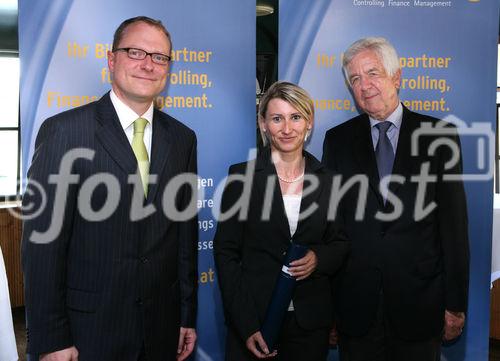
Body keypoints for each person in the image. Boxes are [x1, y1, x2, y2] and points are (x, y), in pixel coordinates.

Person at [21, 16, 198, 361]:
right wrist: (51, 339)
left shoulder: (182, 139)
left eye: (160, 57)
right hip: (88, 334)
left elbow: (184, 236)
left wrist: (185, 316)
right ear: (111, 59)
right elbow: (42, 247)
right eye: (136, 52)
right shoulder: (65, 132)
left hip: (161, 329)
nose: (148, 64)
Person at [322, 37, 469, 361]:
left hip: (421, 305)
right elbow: (332, 228)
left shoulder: (439, 136)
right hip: (356, 308)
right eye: (356, 79)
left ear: (397, 77)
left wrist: (455, 304)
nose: (365, 85)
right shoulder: (338, 141)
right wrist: (328, 307)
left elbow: (454, 229)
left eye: (372, 73)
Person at [214, 81, 350, 361]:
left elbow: (340, 243)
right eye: (277, 118)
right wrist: (246, 324)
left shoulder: (330, 180)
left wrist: (318, 258)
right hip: (254, 322)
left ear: (309, 122)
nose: (287, 129)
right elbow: (226, 253)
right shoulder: (241, 178)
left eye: (295, 117)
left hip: (310, 325)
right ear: (263, 124)